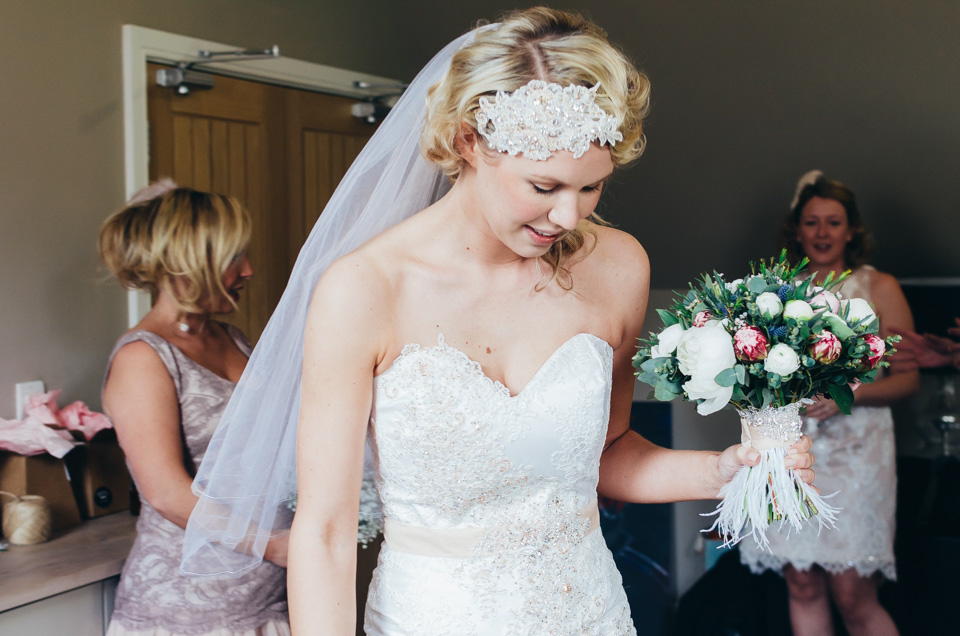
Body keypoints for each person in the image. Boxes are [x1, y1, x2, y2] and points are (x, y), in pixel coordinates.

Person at [182, 8, 815, 635]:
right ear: (467, 141)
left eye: (591, 188)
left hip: (587, 614)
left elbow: (607, 454)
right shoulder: (365, 289)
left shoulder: (618, 266)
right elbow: (323, 532)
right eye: (544, 186)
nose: (568, 217)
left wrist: (724, 470)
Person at [99, 183, 289, 636]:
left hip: (264, 598)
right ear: (187, 262)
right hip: (189, 610)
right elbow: (167, 493)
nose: (248, 270)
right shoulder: (143, 358)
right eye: (231, 258)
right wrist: (277, 547)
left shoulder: (233, 339)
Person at [740, 170, 919, 636]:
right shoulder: (774, 290)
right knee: (800, 583)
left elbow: (908, 380)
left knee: (852, 593)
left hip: (858, 453)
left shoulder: (880, 287)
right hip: (793, 448)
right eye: (813, 222)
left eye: (833, 222)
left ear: (852, 229)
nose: (822, 233)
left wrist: (849, 399)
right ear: (796, 230)